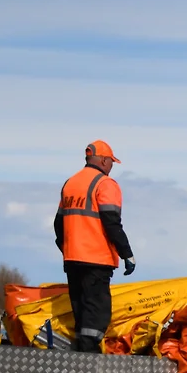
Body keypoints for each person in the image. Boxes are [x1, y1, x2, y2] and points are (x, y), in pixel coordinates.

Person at [54, 140, 136, 353]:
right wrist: (127, 253)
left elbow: (58, 223)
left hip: (72, 259)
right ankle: (89, 355)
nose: (111, 167)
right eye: (111, 162)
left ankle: (82, 352)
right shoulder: (105, 184)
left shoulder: (70, 183)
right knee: (97, 311)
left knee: (80, 309)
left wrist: (66, 248)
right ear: (103, 160)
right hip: (96, 259)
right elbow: (111, 221)